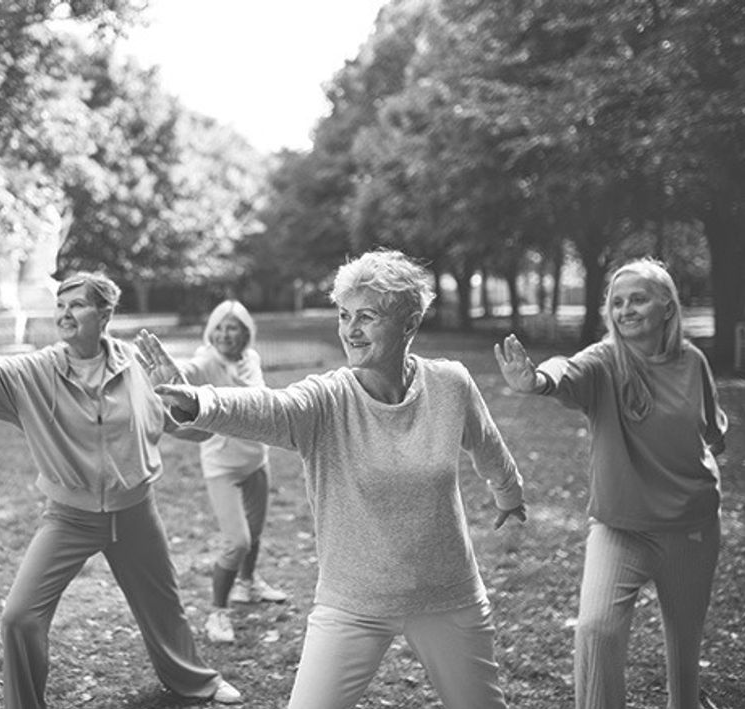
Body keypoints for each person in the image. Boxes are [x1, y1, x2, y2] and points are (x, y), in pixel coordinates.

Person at [138, 249, 527, 709]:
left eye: (367, 316)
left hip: (447, 595)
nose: (350, 329)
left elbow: (487, 444)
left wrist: (509, 491)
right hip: (352, 603)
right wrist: (199, 402)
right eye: (344, 315)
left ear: (409, 325)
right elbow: (269, 407)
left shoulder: (450, 384)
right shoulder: (326, 400)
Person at [0, 271, 242, 709]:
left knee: (164, 609)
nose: (65, 314)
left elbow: (186, 428)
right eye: (61, 306)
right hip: (69, 517)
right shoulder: (38, 369)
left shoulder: (138, 364)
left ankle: (195, 682)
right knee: (20, 617)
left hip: (136, 510)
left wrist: (181, 398)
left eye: (77, 305)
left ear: (105, 314)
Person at [494, 258, 728, 709]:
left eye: (637, 299)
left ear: (666, 307)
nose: (626, 310)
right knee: (596, 630)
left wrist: (704, 451)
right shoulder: (604, 362)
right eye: (617, 303)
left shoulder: (692, 360)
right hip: (621, 527)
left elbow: (712, 432)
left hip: (692, 527)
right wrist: (538, 380)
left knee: (685, 652)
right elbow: (566, 370)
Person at [179, 300, 287, 645]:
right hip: (222, 467)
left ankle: (248, 584)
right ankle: (217, 612)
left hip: (257, 459)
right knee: (237, 541)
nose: (226, 334)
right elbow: (187, 373)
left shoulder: (251, 359)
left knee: (254, 535)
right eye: (220, 327)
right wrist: (169, 372)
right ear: (211, 331)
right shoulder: (207, 361)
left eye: (233, 327)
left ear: (246, 332)